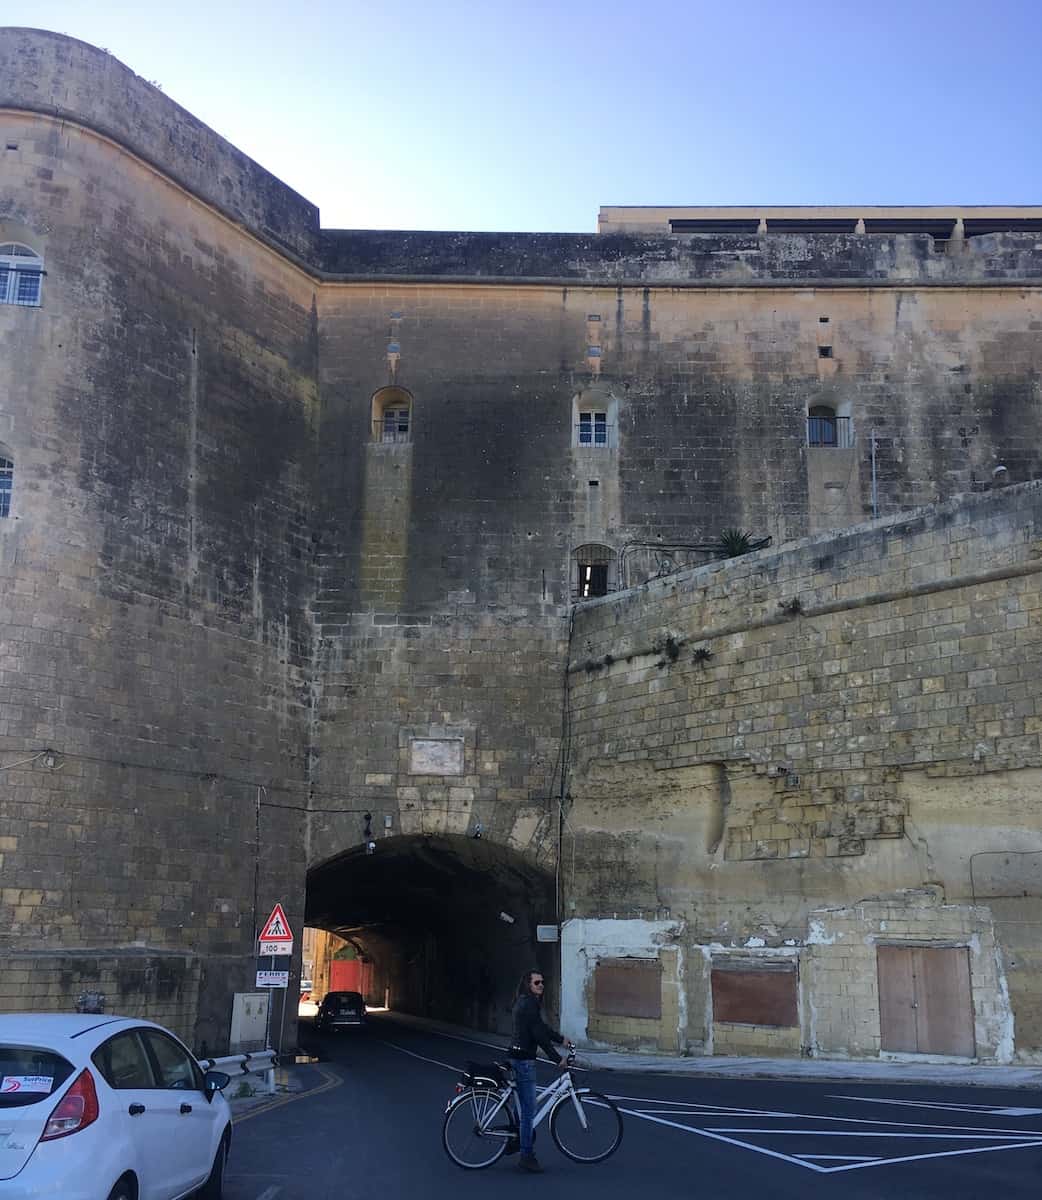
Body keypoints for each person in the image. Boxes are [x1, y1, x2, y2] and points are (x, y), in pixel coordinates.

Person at [508, 969, 568, 1174]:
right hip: (524, 1061)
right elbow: (539, 1036)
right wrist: (557, 1058)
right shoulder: (529, 1004)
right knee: (528, 1112)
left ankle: (517, 1138)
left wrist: (561, 1039)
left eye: (542, 982)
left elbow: (541, 1028)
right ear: (528, 985)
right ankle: (526, 1155)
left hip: (516, 1057)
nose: (541, 985)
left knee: (521, 1105)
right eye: (536, 983)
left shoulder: (523, 1001)